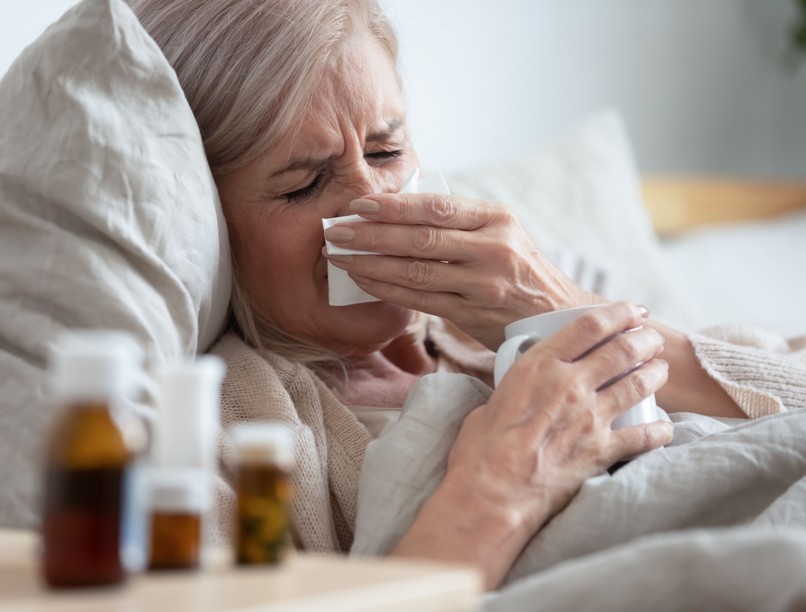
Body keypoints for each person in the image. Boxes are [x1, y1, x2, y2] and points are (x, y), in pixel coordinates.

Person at [128, 0, 800, 590]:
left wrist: (561, 305)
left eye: (387, 152)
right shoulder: (231, 431)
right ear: (208, 222)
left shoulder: (536, 289)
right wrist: (502, 488)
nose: (373, 204)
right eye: (304, 185)